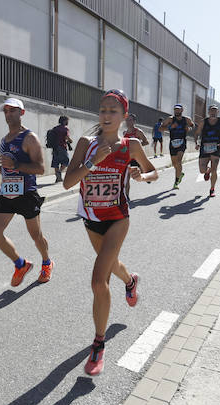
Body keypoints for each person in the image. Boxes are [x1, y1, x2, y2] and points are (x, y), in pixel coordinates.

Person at [63, 89, 158, 375]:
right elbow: (68, 182)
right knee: (111, 263)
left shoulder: (130, 146)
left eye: (113, 111)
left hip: (118, 218)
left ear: (124, 117)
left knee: (98, 280)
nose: (106, 115)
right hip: (91, 219)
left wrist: (142, 176)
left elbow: (154, 171)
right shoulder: (85, 143)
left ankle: (98, 345)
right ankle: (130, 281)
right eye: (103, 110)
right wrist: (92, 163)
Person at [0, 98, 53, 285]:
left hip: (26, 193)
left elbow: (40, 168)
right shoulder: (4, 140)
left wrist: (15, 164)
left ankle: (47, 262)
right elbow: (8, 164)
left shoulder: (30, 138)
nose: (8, 114)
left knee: (36, 236)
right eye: (6, 111)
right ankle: (20, 264)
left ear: (21, 113)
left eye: (12, 111)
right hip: (7, 192)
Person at [193, 104, 220, 197]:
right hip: (204, 147)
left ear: (218, 112)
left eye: (215, 110)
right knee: (202, 170)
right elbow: (197, 134)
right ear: (208, 112)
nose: (213, 112)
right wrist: (196, 143)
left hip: (217, 147)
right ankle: (207, 171)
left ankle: (212, 189)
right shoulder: (203, 122)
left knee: (214, 169)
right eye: (211, 110)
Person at [159, 104, 195, 189]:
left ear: (182, 110)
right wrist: (170, 127)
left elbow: (193, 126)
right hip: (172, 142)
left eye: (178, 110)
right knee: (174, 164)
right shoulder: (170, 119)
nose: (176, 111)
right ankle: (180, 173)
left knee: (179, 161)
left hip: (182, 142)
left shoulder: (186, 119)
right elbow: (160, 129)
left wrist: (189, 129)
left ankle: (176, 181)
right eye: (175, 110)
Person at [122, 113, 150, 201]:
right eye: (127, 120)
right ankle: (127, 196)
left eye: (130, 120)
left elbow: (146, 142)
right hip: (128, 158)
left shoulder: (138, 132)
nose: (128, 122)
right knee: (127, 177)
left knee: (141, 171)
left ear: (134, 122)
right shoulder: (124, 133)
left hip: (137, 156)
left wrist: (137, 145)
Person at [49, 115, 73, 183]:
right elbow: (67, 138)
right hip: (62, 147)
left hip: (55, 148)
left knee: (56, 162)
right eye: (67, 120)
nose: (68, 122)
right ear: (64, 121)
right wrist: (70, 141)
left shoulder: (55, 128)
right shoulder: (65, 129)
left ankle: (58, 178)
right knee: (66, 161)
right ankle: (59, 173)